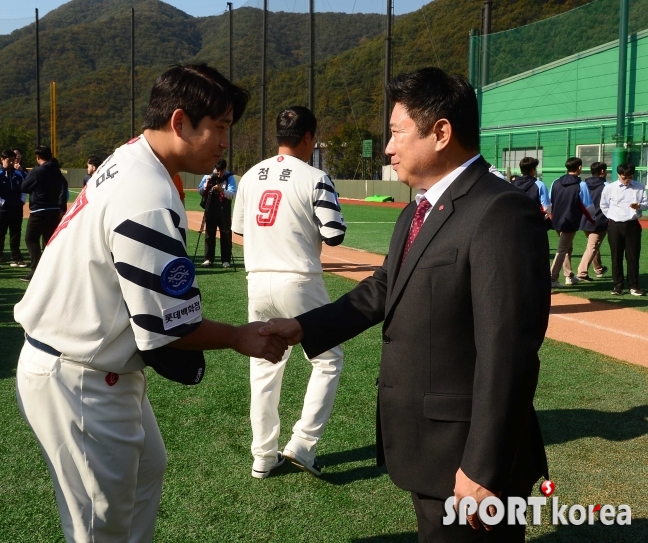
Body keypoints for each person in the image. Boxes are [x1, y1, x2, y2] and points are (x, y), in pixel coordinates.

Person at [261, 67, 550, 542]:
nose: (389, 147)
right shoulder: (421, 207)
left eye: (396, 133)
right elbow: (382, 289)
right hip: (429, 451)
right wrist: (301, 327)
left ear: (440, 133)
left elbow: (509, 351)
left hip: (467, 459)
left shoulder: (500, 210)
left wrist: (482, 467)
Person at [13, 63, 287, 543]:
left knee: (145, 475)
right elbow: (170, 328)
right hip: (80, 373)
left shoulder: (132, 158)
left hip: (90, 359)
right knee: (100, 529)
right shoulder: (147, 193)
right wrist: (243, 336)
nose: (226, 142)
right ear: (179, 122)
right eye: (219, 128)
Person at [232, 106, 347, 479]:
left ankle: (263, 456)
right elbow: (335, 234)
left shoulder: (250, 176)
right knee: (328, 360)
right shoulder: (315, 176)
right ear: (309, 138)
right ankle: (302, 444)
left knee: (264, 365)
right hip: (299, 278)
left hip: (257, 279)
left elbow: (240, 231)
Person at [20, 145, 69, 281]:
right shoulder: (57, 171)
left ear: (37, 157)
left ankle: (36, 269)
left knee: (31, 238)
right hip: (54, 210)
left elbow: (24, 187)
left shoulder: (38, 171)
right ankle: (53, 269)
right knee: (48, 241)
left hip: (40, 210)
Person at [600, 162, 647, 296]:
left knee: (633, 256)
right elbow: (603, 205)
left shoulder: (639, 186)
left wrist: (639, 206)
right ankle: (618, 285)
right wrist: (611, 216)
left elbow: (646, 203)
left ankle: (634, 285)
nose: (627, 180)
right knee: (616, 256)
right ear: (619, 175)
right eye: (624, 177)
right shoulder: (610, 188)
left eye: (630, 177)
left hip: (632, 225)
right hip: (615, 225)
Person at [549, 157, 595, 288]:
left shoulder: (556, 182)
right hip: (570, 220)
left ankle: (569, 276)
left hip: (557, 220)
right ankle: (552, 278)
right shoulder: (581, 185)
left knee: (567, 248)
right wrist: (593, 220)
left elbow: (551, 201)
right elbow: (588, 206)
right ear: (579, 167)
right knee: (563, 249)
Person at [0, 150, 27, 269]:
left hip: (16, 209)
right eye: (8, 160)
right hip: (2, 211)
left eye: (12, 160)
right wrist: (4, 204)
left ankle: (15, 258)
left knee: (15, 234)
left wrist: (21, 201)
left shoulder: (18, 174)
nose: (10, 162)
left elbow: (23, 189)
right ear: (2, 159)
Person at [198, 158, 236, 267]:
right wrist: (206, 184)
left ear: (225, 169)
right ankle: (208, 259)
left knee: (225, 234)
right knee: (209, 233)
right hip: (211, 208)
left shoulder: (229, 177)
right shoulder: (208, 175)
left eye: (222, 171)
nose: (219, 174)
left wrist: (222, 190)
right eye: (217, 171)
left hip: (224, 210)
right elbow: (200, 191)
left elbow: (232, 194)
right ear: (215, 168)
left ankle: (226, 260)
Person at [576, 162, 609, 281]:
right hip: (600, 220)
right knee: (593, 245)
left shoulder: (583, 184)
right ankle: (582, 272)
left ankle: (598, 268)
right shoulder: (606, 185)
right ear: (602, 171)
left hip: (584, 218)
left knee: (594, 244)